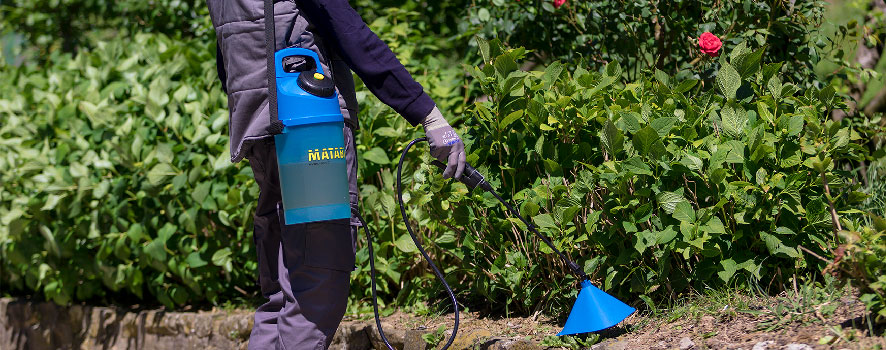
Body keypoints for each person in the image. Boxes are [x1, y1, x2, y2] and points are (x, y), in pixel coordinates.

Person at [206, 0, 466, 349]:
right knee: (317, 281)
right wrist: (427, 114)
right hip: (309, 122)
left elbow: (228, 50)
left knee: (283, 296)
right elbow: (347, 28)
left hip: (257, 123)